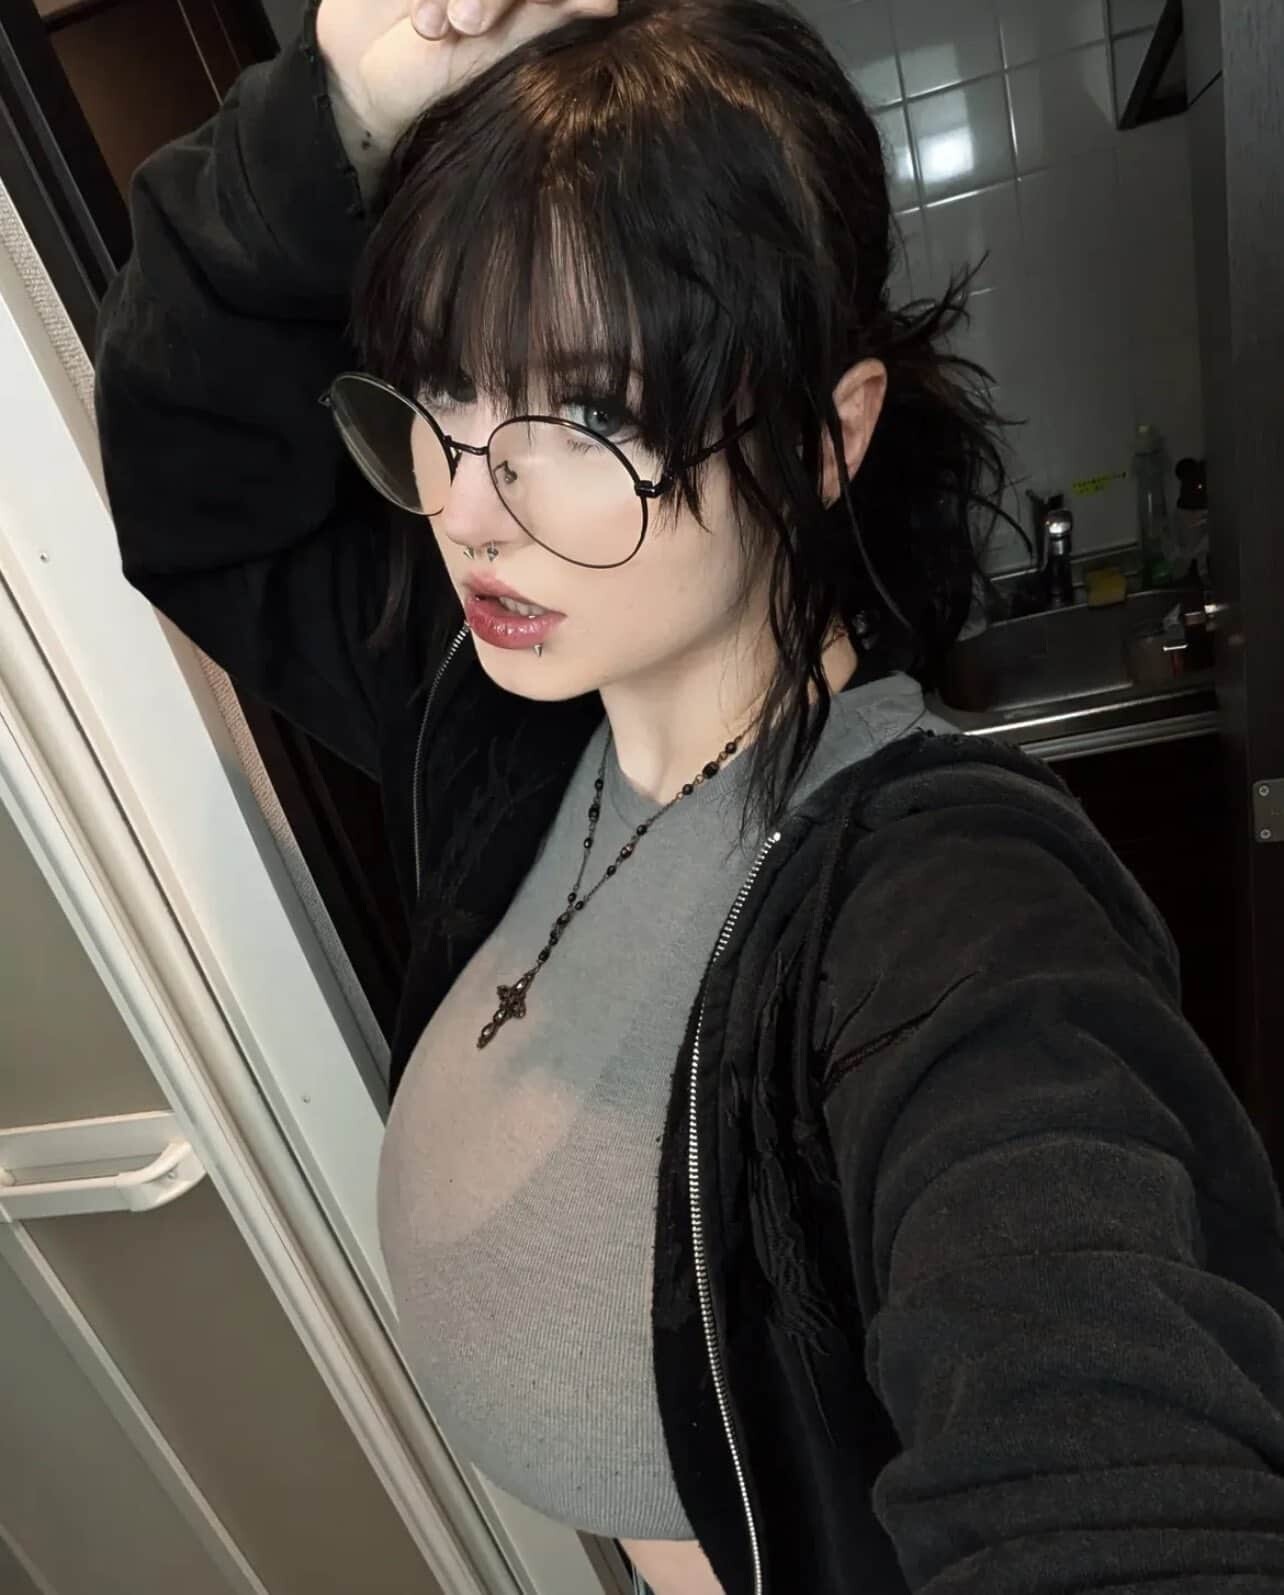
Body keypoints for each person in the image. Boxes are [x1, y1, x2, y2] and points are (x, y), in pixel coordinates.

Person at [93, 0, 1284, 1590]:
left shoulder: (941, 909)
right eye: (440, 394)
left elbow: (1101, 1436)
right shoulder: (497, 725)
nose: (473, 508)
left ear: (823, 439)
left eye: (587, 416)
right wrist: (339, 115)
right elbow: (186, 490)